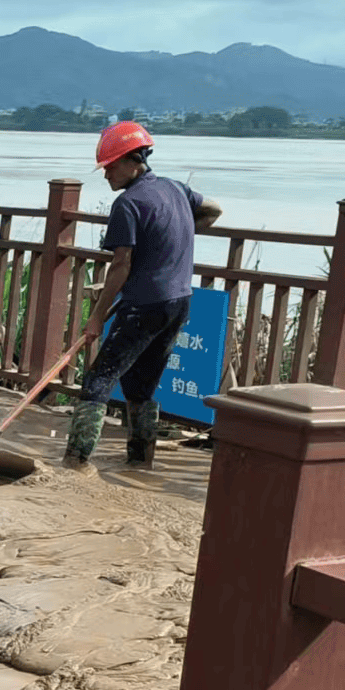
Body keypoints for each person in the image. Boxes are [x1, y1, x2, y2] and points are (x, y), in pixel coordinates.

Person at [64, 121, 223, 468]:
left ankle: (75, 463)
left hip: (144, 306)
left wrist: (95, 318)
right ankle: (140, 460)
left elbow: (120, 266)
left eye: (110, 167)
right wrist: (174, 233)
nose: (106, 175)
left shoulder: (128, 204)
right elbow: (213, 209)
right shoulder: (175, 189)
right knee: (141, 387)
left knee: (98, 380)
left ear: (133, 160)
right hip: (178, 303)